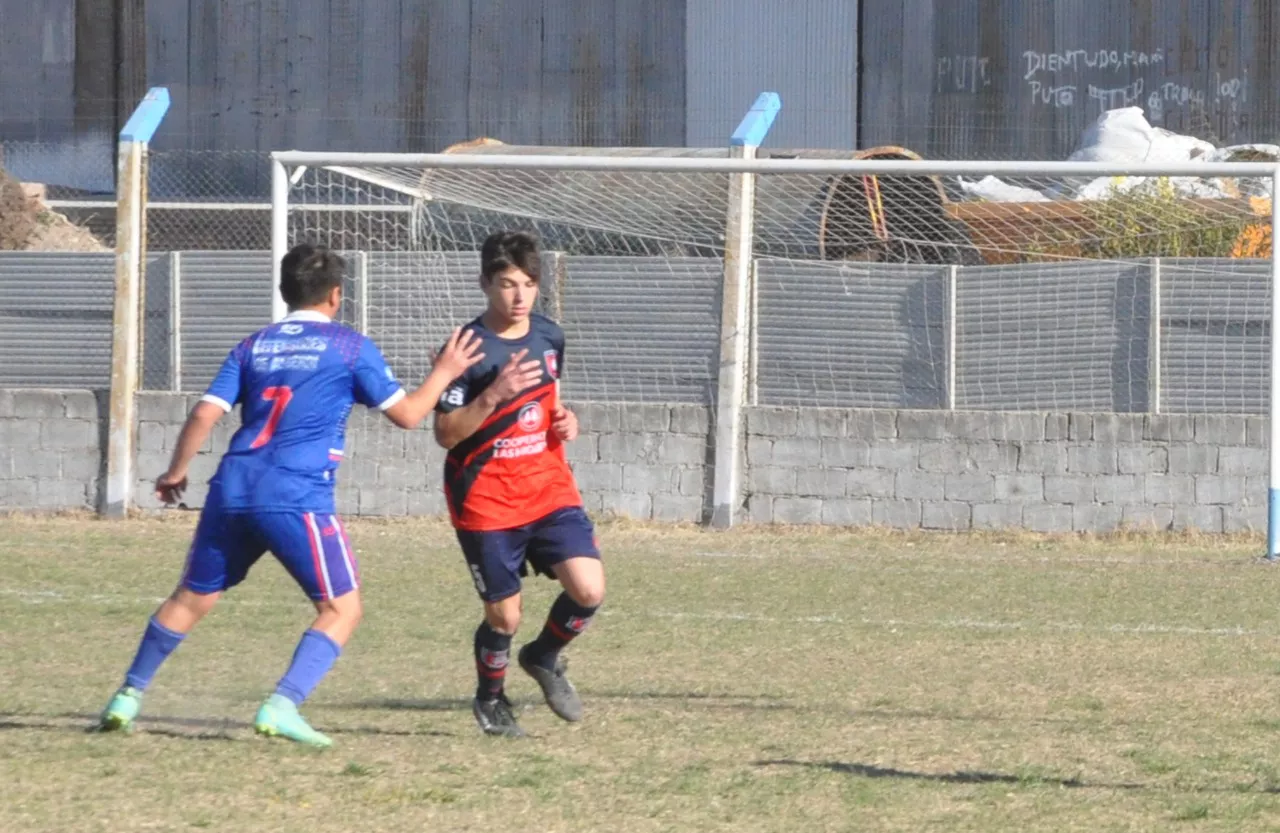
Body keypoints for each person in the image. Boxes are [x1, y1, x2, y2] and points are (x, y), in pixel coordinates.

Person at [96, 243, 484, 748]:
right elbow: (409, 415)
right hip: (295, 493)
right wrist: (445, 373)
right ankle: (282, 705)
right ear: (337, 295)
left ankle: (127, 696)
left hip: (232, 488)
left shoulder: (252, 345)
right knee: (342, 609)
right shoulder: (349, 347)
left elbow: (203, 414)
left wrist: (175, 471)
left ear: (284, 292)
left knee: (192, 597)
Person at [433, 230, 605, 738]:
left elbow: (551, 401)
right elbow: (445, 433)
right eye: (508, 284)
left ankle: (544, 656)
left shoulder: (550, 335)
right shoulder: (465, 348)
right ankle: (490, 698)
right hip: (486, 498)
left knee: (589, 589)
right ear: (485, 283)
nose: (519, 296)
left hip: (548, 486)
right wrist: (492, 396)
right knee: (504, 619)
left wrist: (565, 420)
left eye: (528, 284)